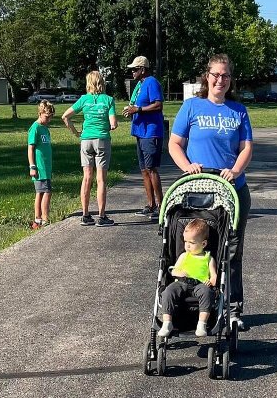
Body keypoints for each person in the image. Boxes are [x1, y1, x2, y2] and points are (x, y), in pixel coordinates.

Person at [168, 53, 253, 330]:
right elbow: (175, 144)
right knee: (194, 246)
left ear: (231, 79)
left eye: (225, 75)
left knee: (231, 251)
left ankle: (233, 309)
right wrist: (186, 167)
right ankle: (187, 304)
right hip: (198, 191)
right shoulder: (192, 107)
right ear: (207, 76)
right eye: (215, 74)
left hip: (232, 191)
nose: (220, 80)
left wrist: (236, 171)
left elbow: (246, 148)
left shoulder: (238, 110)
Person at [62, 71, 118, 227]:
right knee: (101, 179)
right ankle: (101, 216)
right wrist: (109, 125)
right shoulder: (108, 100)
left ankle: (85, 215)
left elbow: (65, 116)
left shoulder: (83, 99)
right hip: (101, 140)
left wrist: (76, 132)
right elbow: (113, 123)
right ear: (102, 83)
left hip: (86, 140)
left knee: (86, 177)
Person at [158, 218, 217, 337]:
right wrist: (178, 273)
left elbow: (214, 275)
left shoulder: (209, 258)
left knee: (207, 293)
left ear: (203, 244)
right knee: (168, 291)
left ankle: (202, 323)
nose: (187, 245)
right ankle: (167, 322)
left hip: (200, 284)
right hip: (181, 283)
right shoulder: (184, 256)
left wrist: (211, 281)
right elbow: (174, 270)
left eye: (192, 243)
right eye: (185, 242)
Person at [122, 56, 164, 220]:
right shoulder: (140, 85)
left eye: (135, 69)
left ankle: (161, 206)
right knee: (144, 170)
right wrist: (131, 110)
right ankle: (150, 205)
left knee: (152, 169)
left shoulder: (152, 82)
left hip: (150, 132)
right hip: (140, 132)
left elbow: (158, 104)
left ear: (143, 69)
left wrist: (138, 109)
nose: (132, 72)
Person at [27, 100, 55, 230]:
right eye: (47, 117)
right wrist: (32, 166)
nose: (48, 119)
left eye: (50, 117)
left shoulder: (45, 128)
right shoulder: (35, 128)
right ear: (40, 113)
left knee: (42, 192)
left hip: (46, 167)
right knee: (45, 191)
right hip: (39, 167)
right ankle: (42, 218)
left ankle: (38, 219)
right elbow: (30, 148)